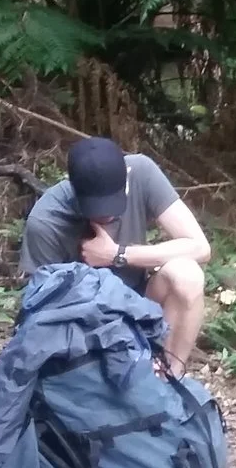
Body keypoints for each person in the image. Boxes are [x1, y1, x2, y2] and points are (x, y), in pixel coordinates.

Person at [19, 136, 212, 373]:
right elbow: (40, 312)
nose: (105, 215)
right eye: (95, 208)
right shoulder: (45, 221)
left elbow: (200, 247)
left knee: (187, 275)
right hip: (83, 327)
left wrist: (117, 254)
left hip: (140, 307)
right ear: (73, 190)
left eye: (112, 205)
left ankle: (169, 375)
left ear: (127, 181)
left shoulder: (141, 172)